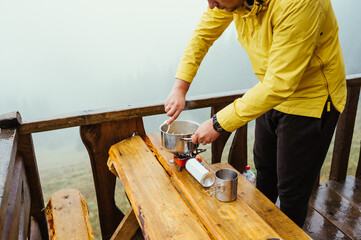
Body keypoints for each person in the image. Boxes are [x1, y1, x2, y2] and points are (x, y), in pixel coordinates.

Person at [164, 0, 346, 227]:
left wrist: (218, 123)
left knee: (292, 191)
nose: (211, 5)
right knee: (265, 172)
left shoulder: (299, 3)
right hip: (268, 96)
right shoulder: (232, 2)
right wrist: (180, 87)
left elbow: (280, 83)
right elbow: (203, 35)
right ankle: (263, 230)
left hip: (310, 102)